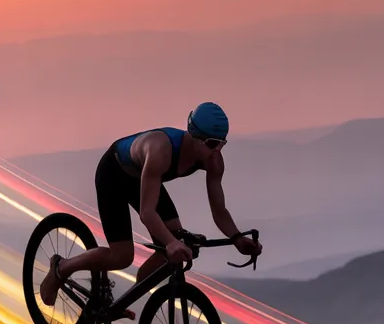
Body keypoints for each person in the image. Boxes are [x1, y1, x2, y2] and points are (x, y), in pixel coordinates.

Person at [40, 102, 262, 309]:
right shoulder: (161, 151)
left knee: (175, 241)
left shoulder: (213, 160)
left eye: (222, 143)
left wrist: (237, 239)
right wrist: (171, 243)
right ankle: (61, 268)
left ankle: (121, 303)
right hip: (115, 174)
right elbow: (147, 213)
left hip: (143, 179)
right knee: (123, 256)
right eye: (213, 144)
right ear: (195, 136)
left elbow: (219, 211)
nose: (217, 151)